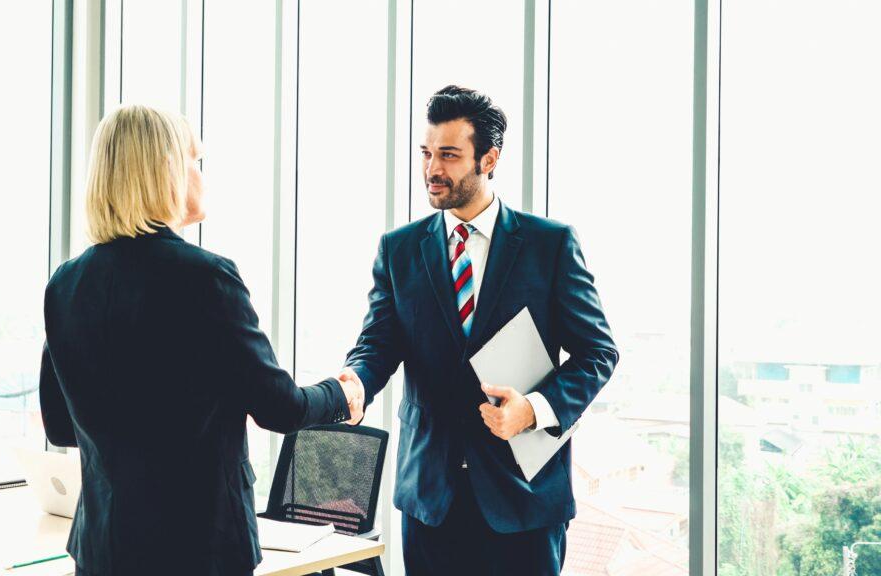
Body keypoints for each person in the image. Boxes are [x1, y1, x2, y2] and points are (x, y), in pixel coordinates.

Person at [38, 104, 364, 576]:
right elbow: (281, 408)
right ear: (165, 171)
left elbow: (60, 427)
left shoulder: (65, 284)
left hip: (103, 548)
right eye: (196, 161)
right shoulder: (204, 278)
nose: (202, 175)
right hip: (195, 548)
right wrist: (342, 392)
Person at [340, 85, 618, 574]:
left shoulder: (548, 245)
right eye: (426, 153)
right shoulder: (399, 249)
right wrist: (357, 380)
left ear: (488, 159)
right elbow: (378, 344)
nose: (431, 169)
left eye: (448, 155)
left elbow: (598, 353)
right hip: (431, 497)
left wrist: (533, 410)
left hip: (524, 499)